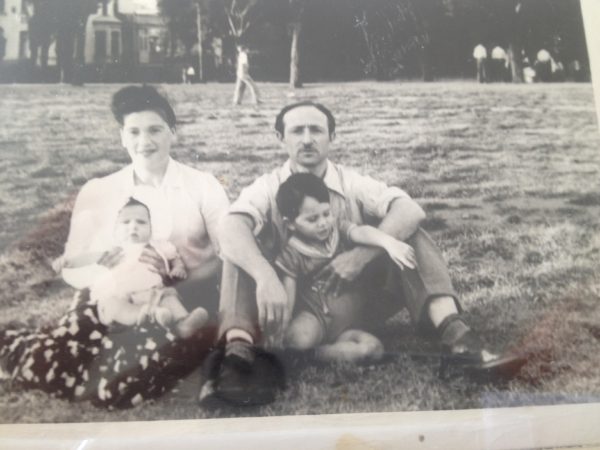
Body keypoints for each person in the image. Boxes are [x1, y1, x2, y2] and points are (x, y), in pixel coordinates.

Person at [202, 101, 524, 406]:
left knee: (410, 236)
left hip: (356, 298)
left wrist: (361, 255)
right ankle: (237, 357)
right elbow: (229, 229)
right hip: (295, 307)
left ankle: (459, 339)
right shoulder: (268, 186)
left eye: (317, 130)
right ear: (280, 138)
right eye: (297, 131)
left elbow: (409, 209)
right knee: (238, 248)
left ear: (332, 136)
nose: (308, 140)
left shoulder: (351, 181)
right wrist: (265, 276)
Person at [0, 85, 229, 408]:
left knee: (126, 378)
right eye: (133, 131)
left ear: (172, 132)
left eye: (155, 130)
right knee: (61, 359)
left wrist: (175, 277)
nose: (144, 141)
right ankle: (18, 348)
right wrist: (104, 269)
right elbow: (75, 272)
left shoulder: (203, 185)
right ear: (122, 136)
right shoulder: (100, 190)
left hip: (181, 298)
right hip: (110, 297)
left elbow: (227, 255)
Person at [275, 173, 418, 363]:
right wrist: (281, 329)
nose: (323, 223)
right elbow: (287, 297)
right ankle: (301, 353)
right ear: (290, 224)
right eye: (312, 219)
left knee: (373, 349)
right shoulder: (293, 253)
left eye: (326, 213)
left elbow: (361, 232)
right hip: (316, 317)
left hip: (349, 324)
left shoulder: (338, 231)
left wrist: (389, 243)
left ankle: (315, 355)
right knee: (296, 340)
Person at [59, 197, 209, 339]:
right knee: (113, 304)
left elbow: (174, 258)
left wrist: (178, 268)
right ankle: (148, 316)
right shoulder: (115, 249)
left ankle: (183, 323)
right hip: (121, 295)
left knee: (169, 298)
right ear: (116, 229)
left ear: (151, 228)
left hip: (152, 292)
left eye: (141, 222)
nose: (133, 226)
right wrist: (69, 262)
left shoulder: (159, 246)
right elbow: (89, 257)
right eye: (126, 222)